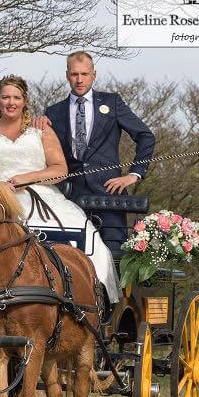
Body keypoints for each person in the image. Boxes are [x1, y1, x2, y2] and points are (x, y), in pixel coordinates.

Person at [0, 75, 120, 304]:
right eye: (5, 97)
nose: (11, 102)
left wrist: (25, 179)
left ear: (25, 101)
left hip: (43, 197)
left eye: (16, 97)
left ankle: (89, 294)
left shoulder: (41, 131)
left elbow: (60, 169)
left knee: (86, 235)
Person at [39, 51, 156, 252]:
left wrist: (134, 175)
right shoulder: (53, 112)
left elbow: (146, 136)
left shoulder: (112, 103)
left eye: (84, 74)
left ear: (94, 74)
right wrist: (37, 124)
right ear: (67, 75)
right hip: (69, 198)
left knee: (114, 258)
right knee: (70, 259)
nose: (79, 80)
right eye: (75, 74)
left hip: (109, 196)